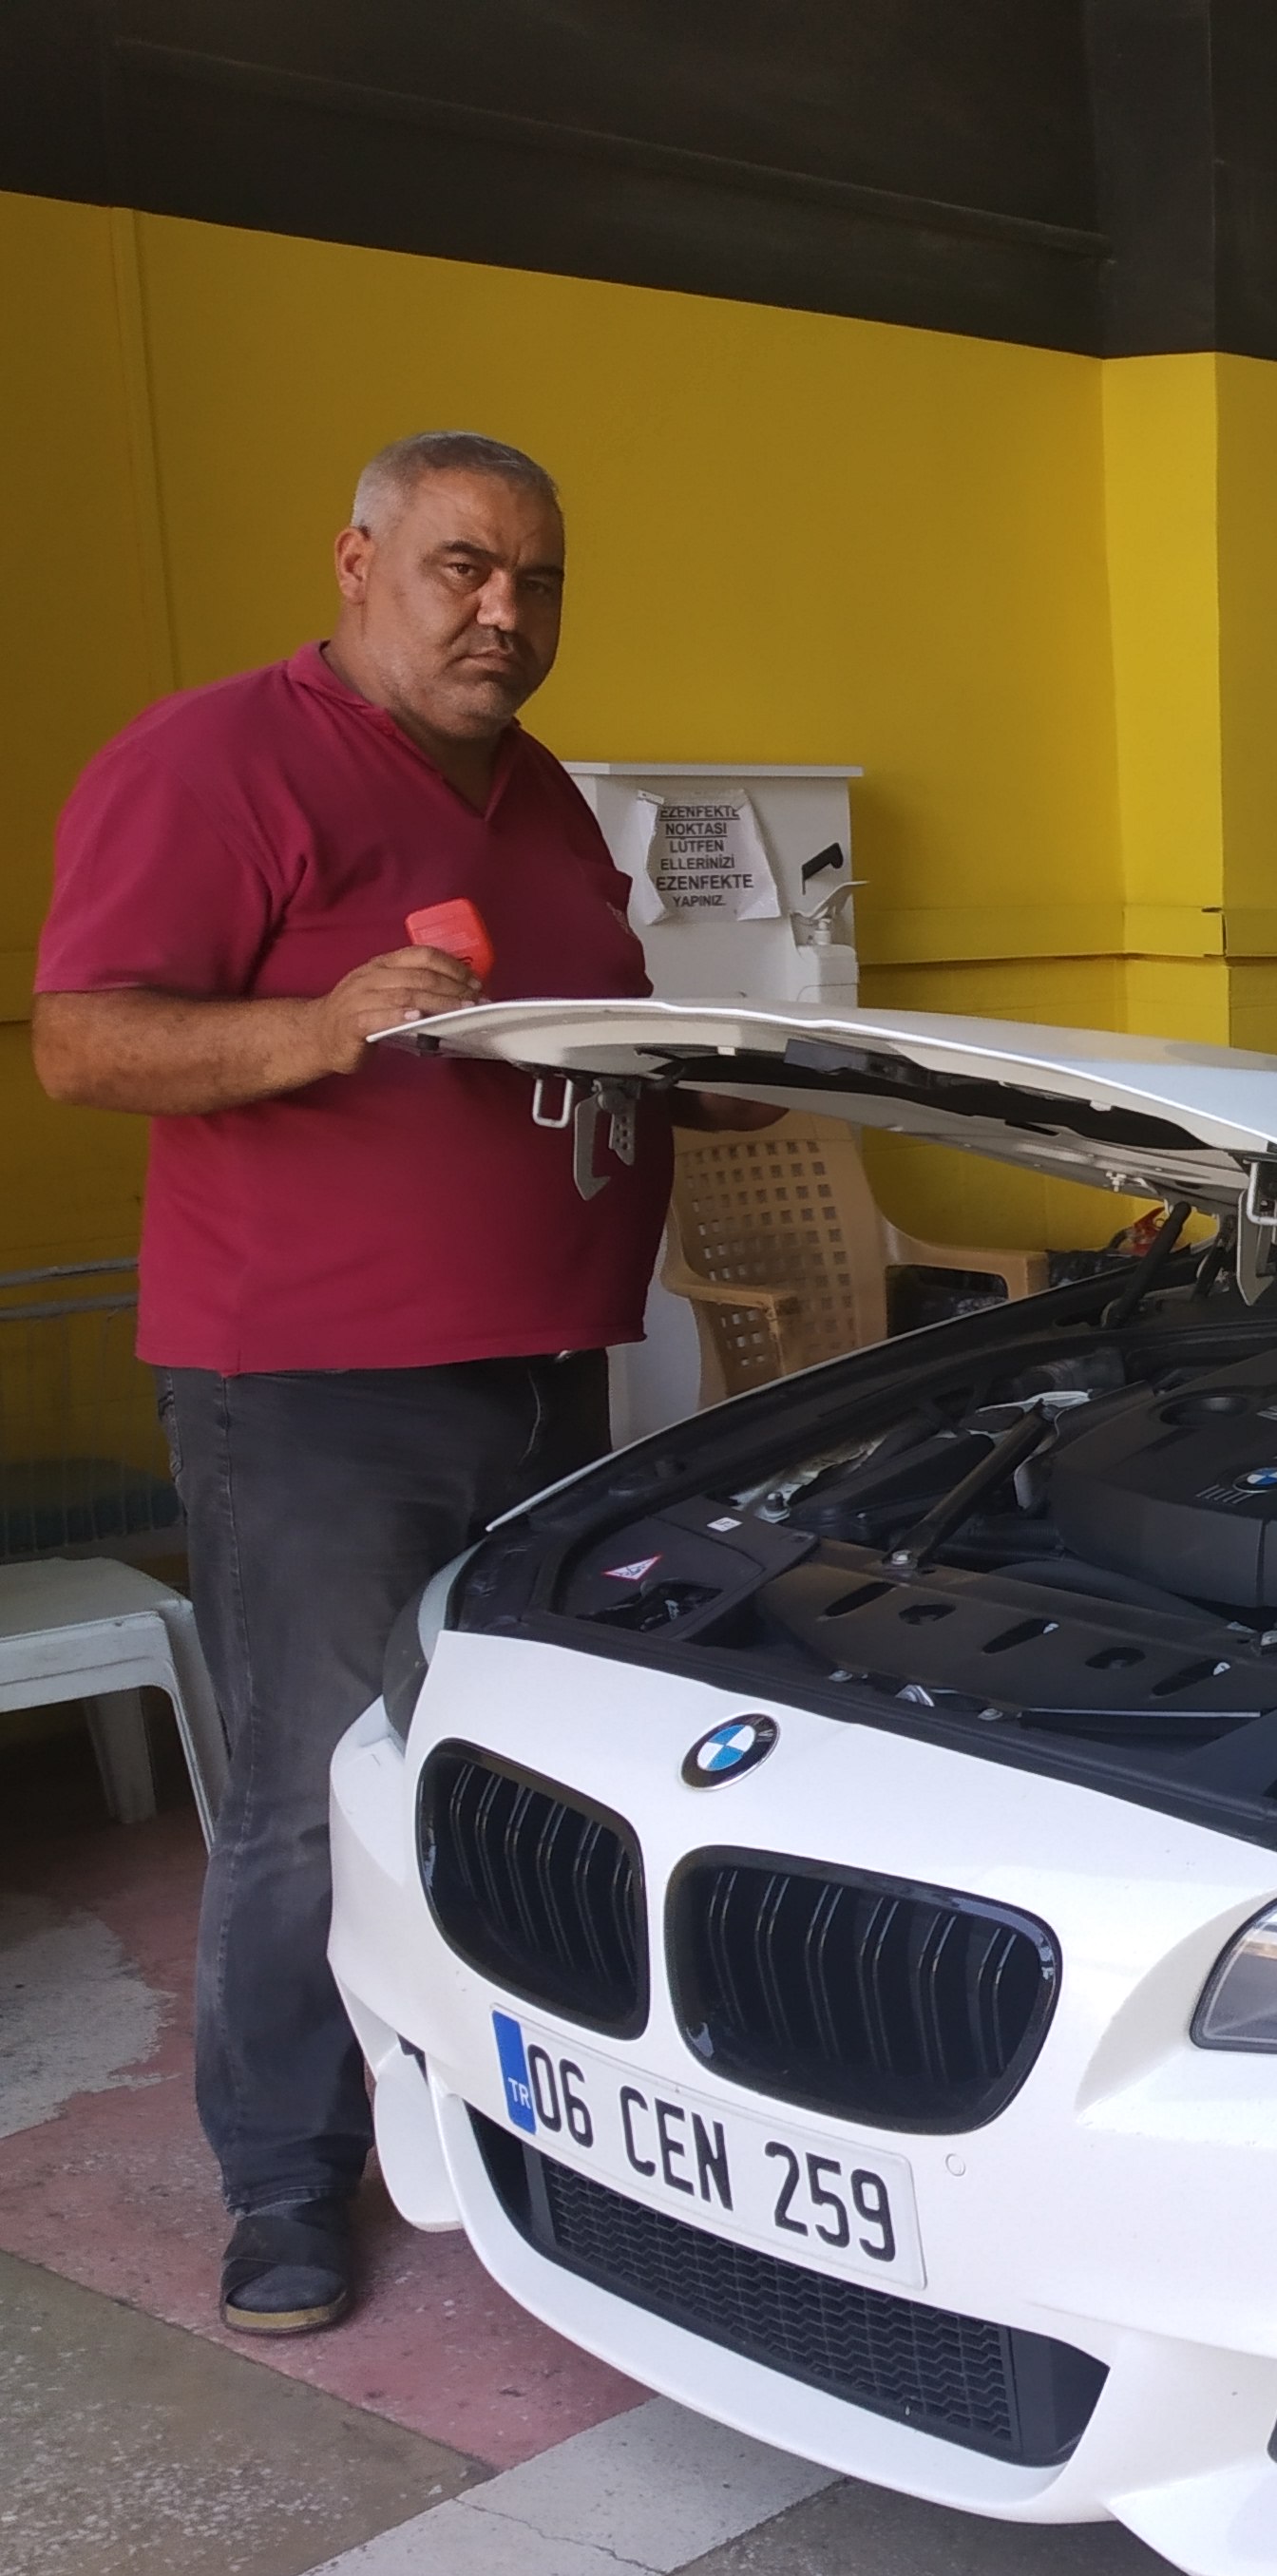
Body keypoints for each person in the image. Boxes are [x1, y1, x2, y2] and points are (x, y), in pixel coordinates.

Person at [31, 430, 753, 2335]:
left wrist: (707, 1076)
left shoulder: (544, 796)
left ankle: (512, 2110)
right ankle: (284, 2180)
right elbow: (83, 1041)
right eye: (462, 567)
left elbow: (567, 1033)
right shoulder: (214, 760)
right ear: (357, 562)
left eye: (538, 579)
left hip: (546, 1370)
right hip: (315, 1392)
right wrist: (319, 1025)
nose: (504, 611)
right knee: (308, 1788)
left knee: (501, 1768)